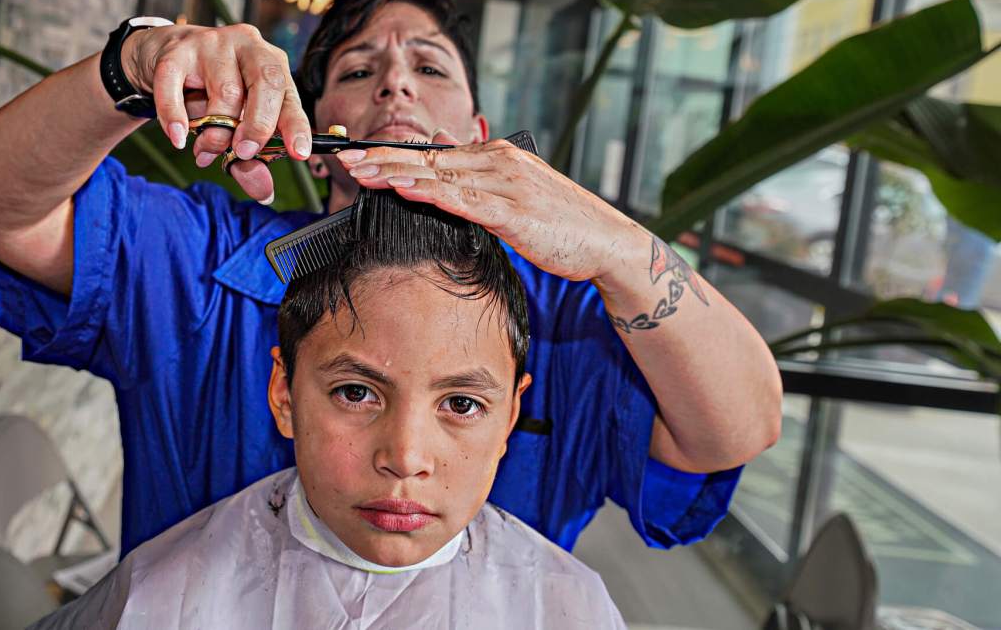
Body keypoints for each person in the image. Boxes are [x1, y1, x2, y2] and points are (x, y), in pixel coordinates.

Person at [0, 0, 782, 558]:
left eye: (429, 66)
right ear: (314, 136)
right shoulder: (202, 264)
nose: (395, 86)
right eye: (358, 69)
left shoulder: (568, 320)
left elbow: (734, 427)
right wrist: (136, 66)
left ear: (480, 130)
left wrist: (617, 248)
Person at [32, 191, 626, 629]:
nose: (406, 458)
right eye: (356, 393)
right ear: (285, 395)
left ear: (510, 419)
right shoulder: (164, 594)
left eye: (462, 403)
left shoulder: (568, 608)